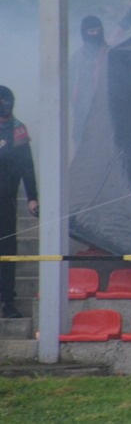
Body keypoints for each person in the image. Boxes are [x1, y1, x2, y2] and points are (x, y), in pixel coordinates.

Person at [0, 86, 38, 319]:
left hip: (6, 201)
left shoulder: (17, 129)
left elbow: (27, 165)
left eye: (7, 101)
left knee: (7, 250)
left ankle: (7, 301)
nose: (5, 105)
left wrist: (32, 197)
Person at [69, 15, 108, 149]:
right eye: (91, 31)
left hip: (105, 111)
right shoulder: (76, 58)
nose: (95, 34)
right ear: (84, 33)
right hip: (82, 111)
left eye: (98, 30)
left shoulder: (110, 55)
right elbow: (68, 84)